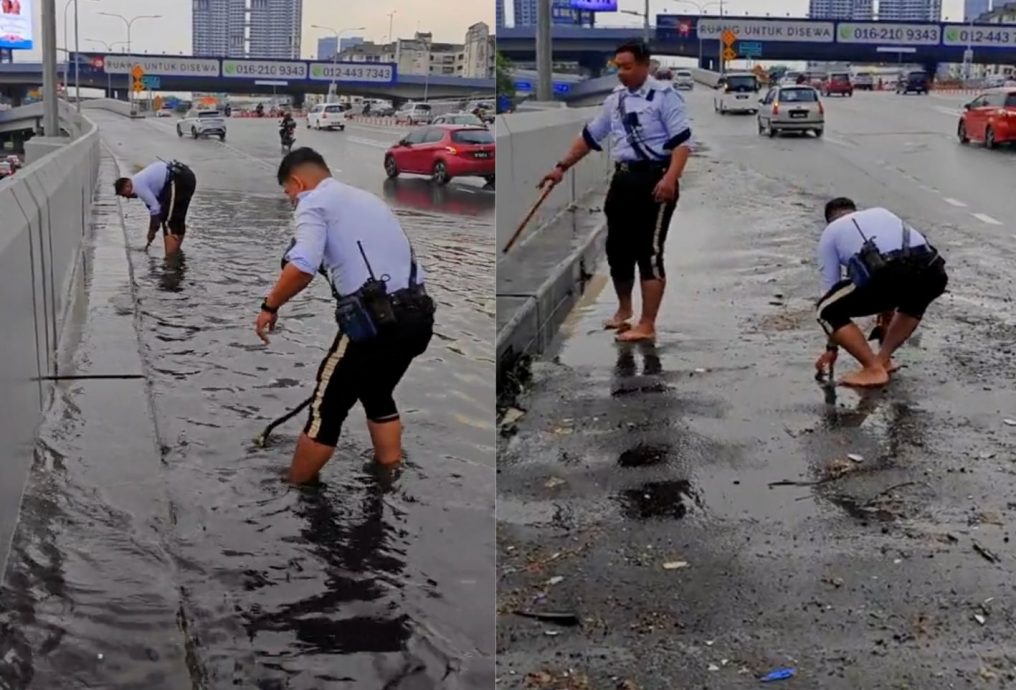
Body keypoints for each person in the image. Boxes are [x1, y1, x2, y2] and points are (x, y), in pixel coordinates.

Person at [255, 148, 436, 485]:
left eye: (288, 192)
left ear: (297, 181)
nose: (291, 200)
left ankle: (295, 487)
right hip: (418, 316)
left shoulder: (313, 204)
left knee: (326, 408)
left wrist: (270, 306)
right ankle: (389, 473)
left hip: (376, 323)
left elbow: (302, 267)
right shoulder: (365, 199)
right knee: (376, 392)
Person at [539, 39, 692, 343]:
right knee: (618, 250)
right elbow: (590, 136)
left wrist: (671, 178)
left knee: (648, 253)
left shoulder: (665, 97)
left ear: (645, 65)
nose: (621, 72)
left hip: (656, 181)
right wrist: (561, 167)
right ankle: (624, 310)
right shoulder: (616, 100)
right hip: (623, 180)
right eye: (618, 67)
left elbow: (682, 143)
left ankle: (647, 325)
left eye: (627, 66)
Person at [814, 198, 948, 388]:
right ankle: (883, 360)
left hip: (892, 272)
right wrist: (886, 306)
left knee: (825, 310)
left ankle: (871, 369)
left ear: (830, 220)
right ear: (854, 210)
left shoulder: (830, 232)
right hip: (933, 272)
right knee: (912, 301)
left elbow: (829, 290)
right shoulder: (881, 212)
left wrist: (831, 347)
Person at [113, 159, 197, 256]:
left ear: (127, 185)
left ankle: (170, 260)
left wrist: (151, 232)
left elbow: (155, 210)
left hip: (177, 180)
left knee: (168, 222)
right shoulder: (142, 182)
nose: (126, 197)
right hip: (185, 177)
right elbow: (156, 212)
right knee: (178, 219)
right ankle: (177, 253)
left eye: (124, 194)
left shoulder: (137, 185)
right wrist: (154, 227)